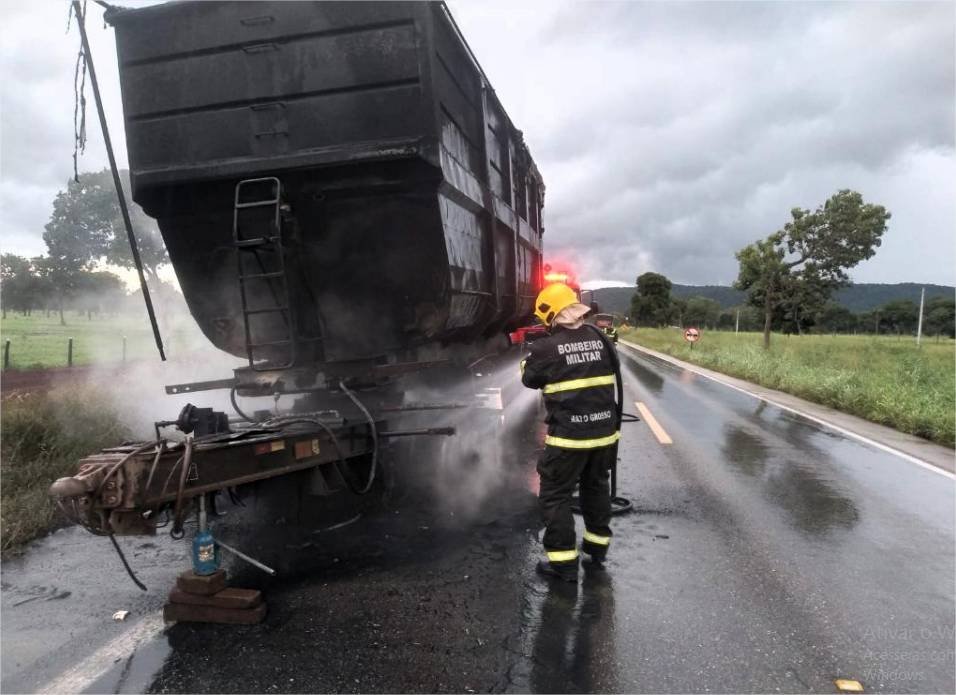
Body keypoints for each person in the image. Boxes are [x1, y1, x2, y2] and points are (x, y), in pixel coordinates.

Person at [521, 282, 619, 582]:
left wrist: (529, 359)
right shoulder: (601, 338)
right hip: (605, 434)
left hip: (569, 438)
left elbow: (529, 380)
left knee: (555, 494)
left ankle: (563, 564)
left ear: (550, 315)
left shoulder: (545, 348)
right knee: (596, 488)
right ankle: (597, 549)